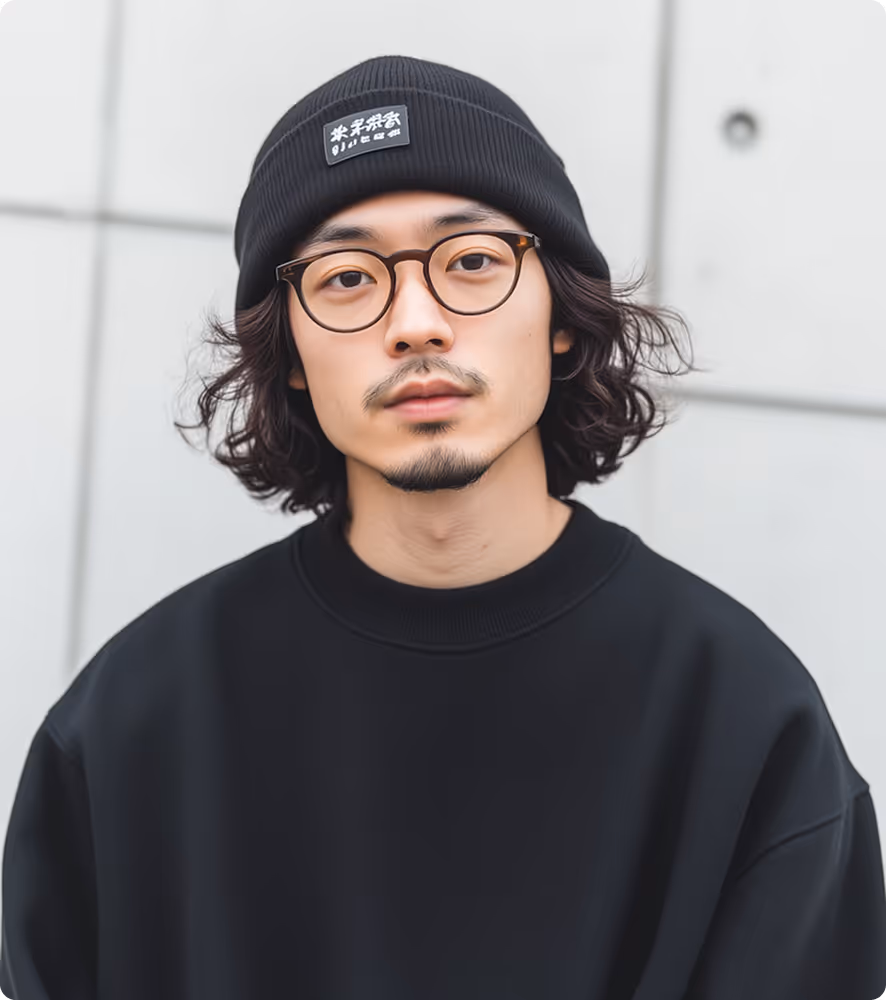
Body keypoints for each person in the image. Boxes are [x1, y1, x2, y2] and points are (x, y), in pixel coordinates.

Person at [1, 54, 884, 1000]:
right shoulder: (128, 729)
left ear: (560, 313)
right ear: (289, 354)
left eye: (471, 262)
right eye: (345, 277)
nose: (416, 323)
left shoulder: (745, 720)